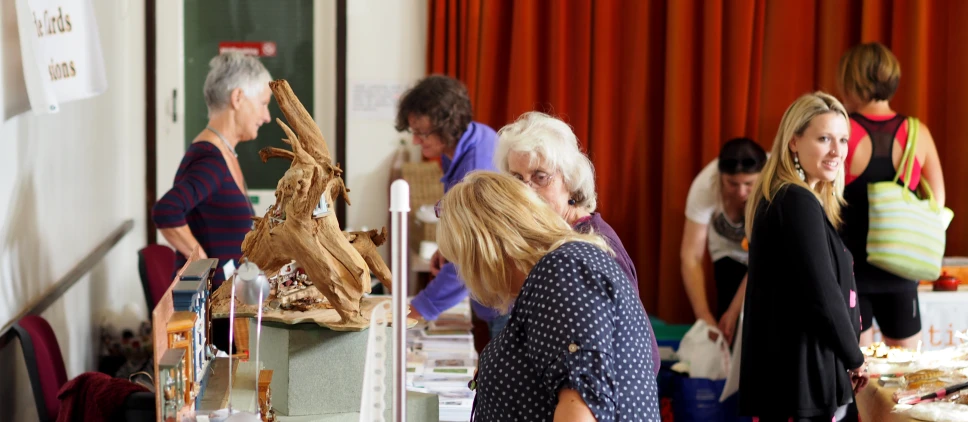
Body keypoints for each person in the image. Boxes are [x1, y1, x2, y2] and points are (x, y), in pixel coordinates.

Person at [436, 172, 660, 421]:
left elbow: (582, 407)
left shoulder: (563, 270)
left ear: (486, 250)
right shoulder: (560, 270)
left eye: (463, 262)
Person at [494, 111, 659, 373]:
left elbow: (642, 355)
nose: (525, 191)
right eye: (516, 179)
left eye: (540, 177)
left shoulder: (590, 246)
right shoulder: (554, 237)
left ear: (569, 180)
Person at [740, 92, 869, 421]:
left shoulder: (788, 197)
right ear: (794, 141)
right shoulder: (795, 201)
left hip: (794, 378)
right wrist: (855, 358)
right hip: (799, 380)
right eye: (824, 138)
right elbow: (823, 295)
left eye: (842, 139)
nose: (837, 151)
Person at [152, 52, 272, 352]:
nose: (267, 116)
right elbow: (166, 211)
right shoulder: (209, 160)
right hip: (209, 317)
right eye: (264, 103)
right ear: (238, 98)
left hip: (227, 309)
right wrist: (201, 259)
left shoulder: (225, 154)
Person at [837, 42, 946, 350]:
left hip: (851, 274)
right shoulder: (916, 131)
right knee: (907, 375)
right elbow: (937, 201)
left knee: (859, 376)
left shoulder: (842, 130)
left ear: (850, 80)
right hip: (902, 272)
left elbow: (824, 202)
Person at [393, 75, 502, 335]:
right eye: (414, 132)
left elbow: (472, 254)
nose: (416, 141)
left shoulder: (476, 170)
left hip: (505, 299)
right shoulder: (473, 139)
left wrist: (419, 308)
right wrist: (448, 247)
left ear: (448, 125)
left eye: (422, 133)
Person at [681, 138, 767, 343]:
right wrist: (704, 317)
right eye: (732, 184)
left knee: (756, 312)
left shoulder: (773, 184)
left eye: (749, 184)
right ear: (720, 177)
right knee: (726, 323)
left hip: (766, 255)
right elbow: (690, 257)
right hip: (726, 249)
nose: (741, 192)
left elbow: (762, 258)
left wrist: (736, 308)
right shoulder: (704, 186)